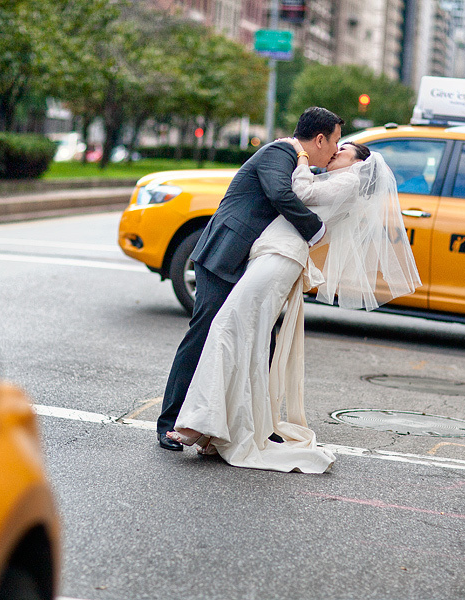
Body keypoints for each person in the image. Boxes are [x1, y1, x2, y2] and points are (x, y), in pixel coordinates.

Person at [166, 141, 422, 472]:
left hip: (280, 257)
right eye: (335, 145)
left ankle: (198, 425)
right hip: (273, 255)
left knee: (228, 327)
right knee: (248, 338)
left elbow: (298, 192)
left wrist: (301, 156)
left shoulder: (350, 181)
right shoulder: (338, 181)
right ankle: (217, 430)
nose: (334, 152)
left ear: (359, 163)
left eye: (341, 150)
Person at [157, 107, 344, 451]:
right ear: (320, 139)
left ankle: (257, 423)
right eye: (335, 142)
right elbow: (279, 195)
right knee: (204, 334)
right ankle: (169, 421)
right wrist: (316, 230)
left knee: (264, 343)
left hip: (251, 264)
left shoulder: (298, 162)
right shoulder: (280, 152)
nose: (335, 150)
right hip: (224, 257)